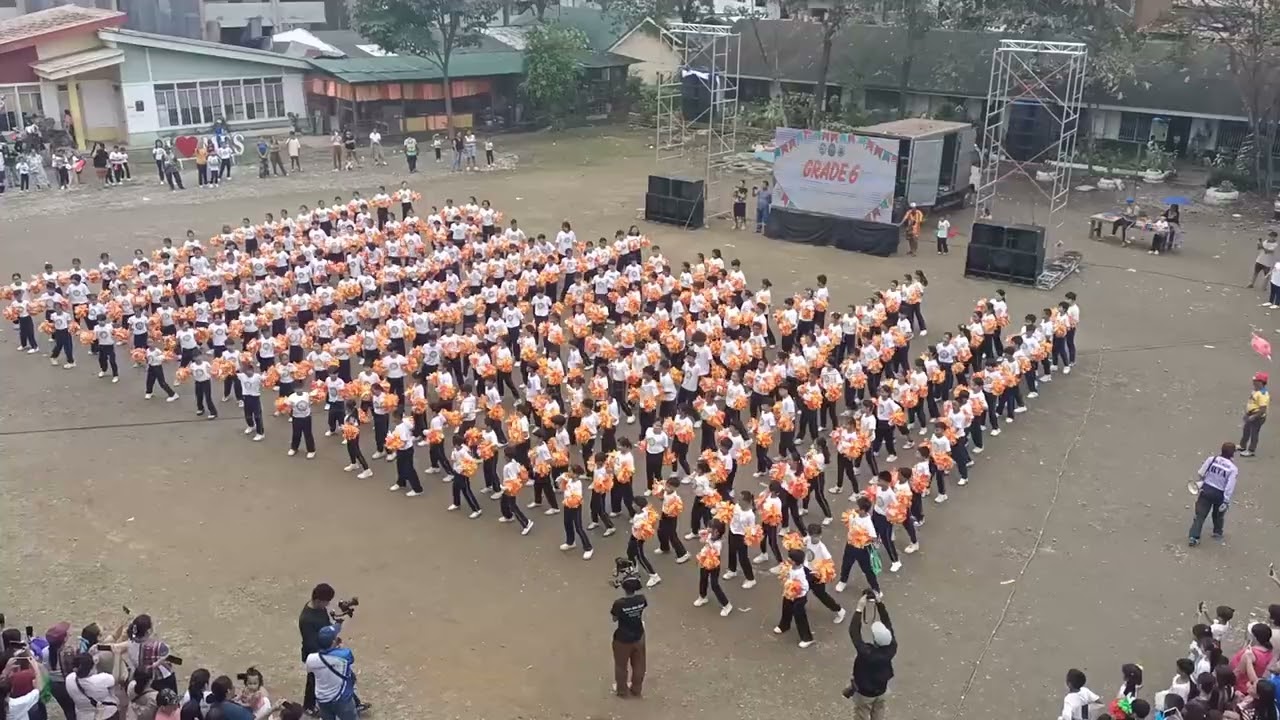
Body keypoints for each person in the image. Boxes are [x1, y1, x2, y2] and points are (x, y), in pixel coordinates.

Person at [847, 592, 896, 720]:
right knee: (879, 711)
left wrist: (859, 608)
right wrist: (880, 604)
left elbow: (854, 632)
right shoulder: (891, 648)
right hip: (881, 689)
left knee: (861, 714)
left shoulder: (866, 653)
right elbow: (888, 624)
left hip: (865, 692)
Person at [1188, 442, 1239, 546]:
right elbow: (1230, 486)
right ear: (1233, 453)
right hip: (1219, 494)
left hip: (1206, 490)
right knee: (1218, 515)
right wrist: (1226, 500)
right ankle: (1217, 532)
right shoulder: (1233, 468)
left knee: (1200, 515)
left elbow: (1201, 472)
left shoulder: (1212, 459)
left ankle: (1194, 537)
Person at [304, 626, 356, 720]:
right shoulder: (344, 655)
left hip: (322, 699)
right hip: (341, 698)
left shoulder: (311, 659)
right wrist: (338, 647)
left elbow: (310, 670)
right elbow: (350, 658)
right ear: (333, 642)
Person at [298, 584, 334, 716]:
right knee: (313, 680)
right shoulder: (306, 619)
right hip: (313, 654)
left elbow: (326, 623)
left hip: (325, 649)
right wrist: (327, 649)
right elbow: (310, 642)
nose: (328, 604)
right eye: (326, 602)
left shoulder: (320, 609)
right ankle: (308, 706)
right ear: (318, 600)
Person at [610, 575, 647, 698]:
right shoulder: (642, 599)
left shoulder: (619, 604)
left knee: (621, 666)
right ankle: (636, 689)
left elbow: (614, 619)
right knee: (639, 664)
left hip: (623, 639)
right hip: (639, 636)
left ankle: (622, 691)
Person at [1240, 372, 1269, 457]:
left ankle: (1251, 450)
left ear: (1261, 382)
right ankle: (1242, 446)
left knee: (1254, 433)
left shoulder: (1263, 395)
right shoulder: (1255, 391)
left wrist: (1254, 416)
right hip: (1251, 413)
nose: (1253, 382)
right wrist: (1247, 413)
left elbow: (1263, 409)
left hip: (1257, 416)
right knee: (1246, 430)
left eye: (1255, 380)